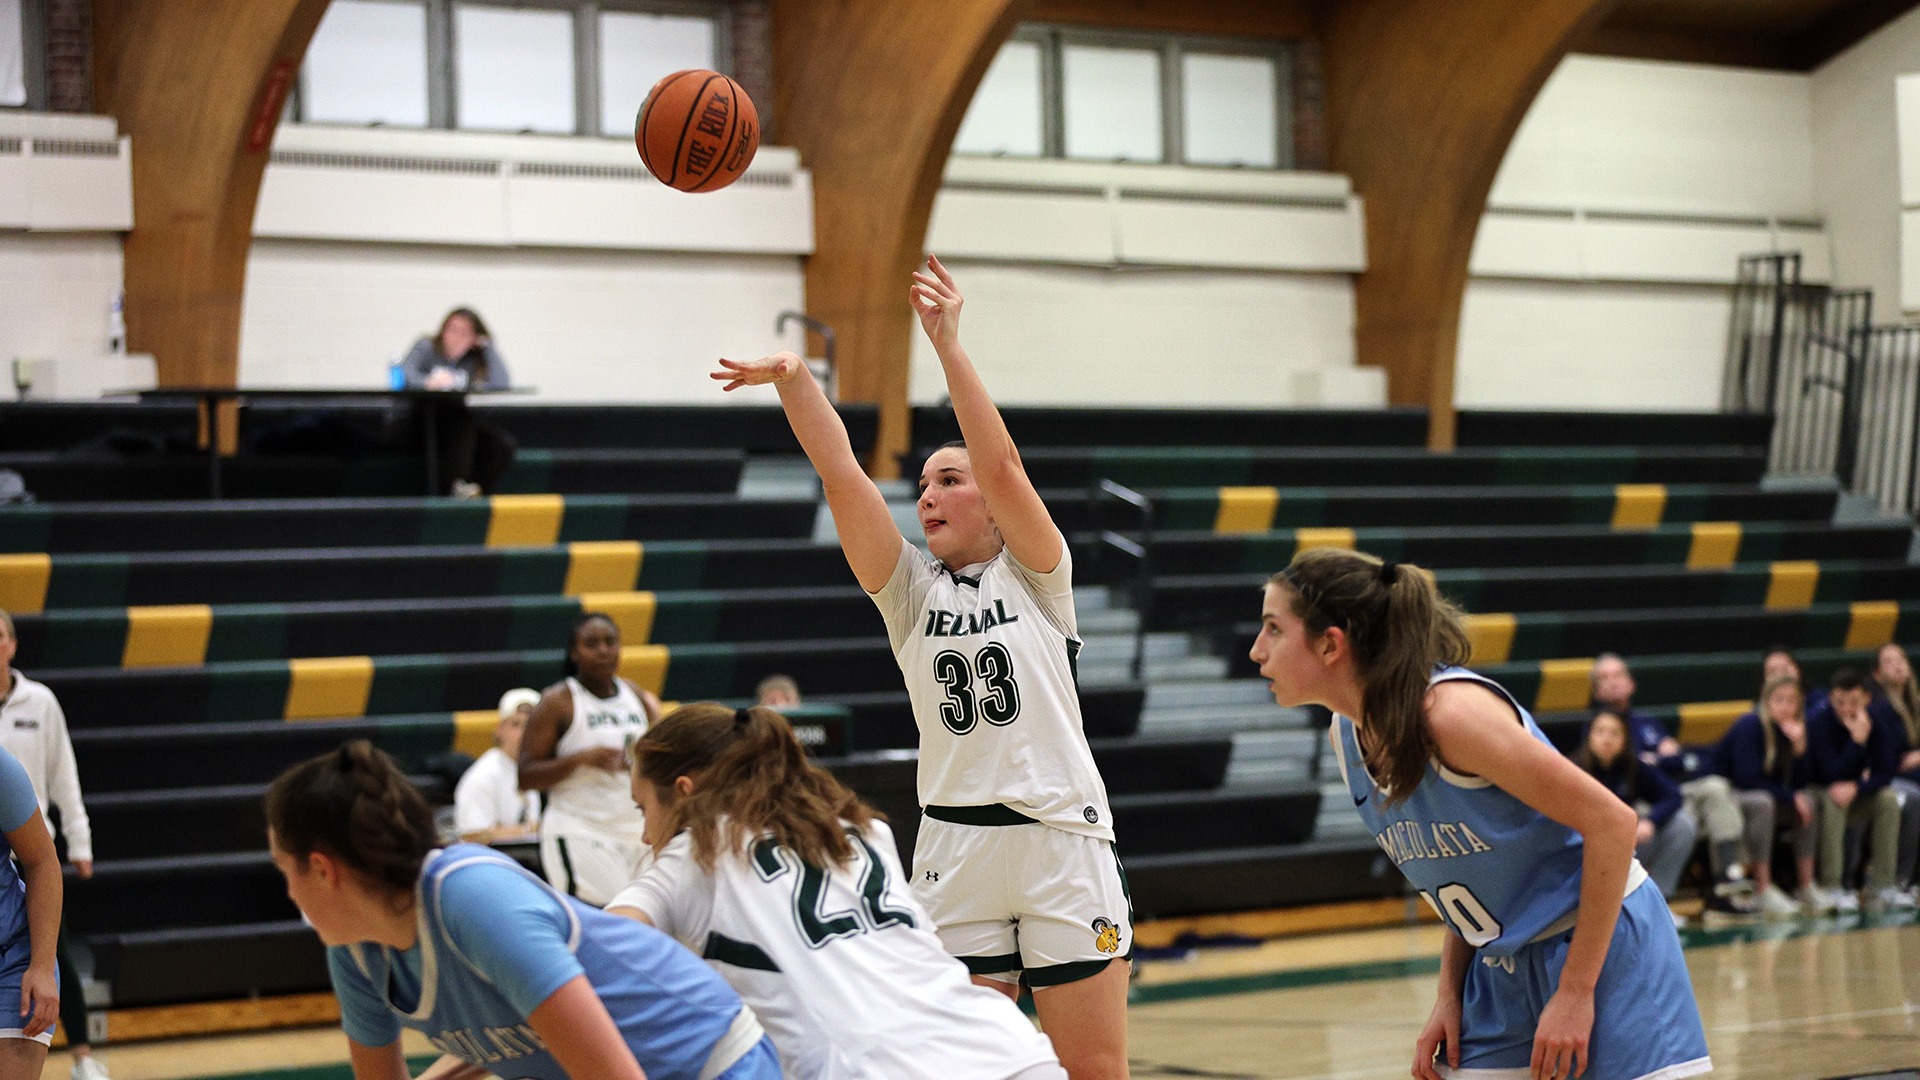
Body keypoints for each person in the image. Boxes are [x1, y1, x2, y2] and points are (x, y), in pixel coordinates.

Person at [709, 256, 1130, 1079]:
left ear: (994, 508)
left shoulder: (1040, 576)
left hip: (1061, 841)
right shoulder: (907, 593)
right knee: (958, 1068)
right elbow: (843, 476)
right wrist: (797, 381)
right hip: (955, 845)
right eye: (924, 484)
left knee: (1095, 1070)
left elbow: (1004, 467)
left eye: (949, 480)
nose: (928, 496)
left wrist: (946, 344)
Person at [1249, 550, 1709, 1080]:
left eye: (1273, 629)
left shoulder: (1451, 716)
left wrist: (1578, 990)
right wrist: (1449, 994)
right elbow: (1465, 872)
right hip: (1500, 966)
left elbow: (1612, 822)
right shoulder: (1345, 735)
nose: (1258, 651)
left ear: (1331, 643)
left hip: (1599, 948)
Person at [265, 741, 781, 1080]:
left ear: (323, 869)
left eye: (285, 871)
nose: (288, 892)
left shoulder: (472, 898)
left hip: (712, 1061)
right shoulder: (355, 953)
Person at [606, 703, 1066, 1080]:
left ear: (683, 792)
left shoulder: (695, 854)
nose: (645, 836)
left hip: (877, 1068)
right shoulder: (860, 830)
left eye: (642, 808)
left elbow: (602, 945)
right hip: (1007, 1051)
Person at [0, 610, 101, 1080]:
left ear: (13, 644)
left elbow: (66, 776)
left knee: (53, 955)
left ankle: (82, 1056)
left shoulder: (39, 702)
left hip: (32, 856)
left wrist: (80, 839)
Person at [518, 613, 661, 907]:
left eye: (610, 642)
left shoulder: (634, 694)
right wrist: (581, 759)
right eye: (591, 643)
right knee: (610, 920)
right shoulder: (558, 701)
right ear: (574, 652)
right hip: (580, 830)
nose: (603, 650)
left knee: (647, 924)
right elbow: (526, 775)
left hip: (634, 829)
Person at [1590, 653, 1747, 904]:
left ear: (1632, 683)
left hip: (1668, 790)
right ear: (1596, 691)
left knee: (1717, 787)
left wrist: (1660, 760)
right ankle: (1658, 899)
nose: (1613, 682)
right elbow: (1641, 766)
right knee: (1681, 821)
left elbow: (1678, 760)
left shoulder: (1647, 723)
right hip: (1635, 802)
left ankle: (1727, 876)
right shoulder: (1594, 727)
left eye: (1619, 675)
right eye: (1604, 678)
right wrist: (1660, 759)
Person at [1714, 674, 1818, 916]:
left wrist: (1799, 749)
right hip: (1727, 793)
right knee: (1764, 803)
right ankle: (1763, 888)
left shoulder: (1794, 730)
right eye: (1778, 700)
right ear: (1766, 701)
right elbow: (1747, 778)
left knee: (1808, 801)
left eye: (1792, 701)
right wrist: (1790, 796)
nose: (1785, 707)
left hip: (1760, 794)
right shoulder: (1750, 724)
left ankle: (1806, 885)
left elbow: (1800, 783)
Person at [1572, 709, 1698, 908]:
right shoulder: (1573, 769)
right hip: (1585, 851)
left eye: (1615, 733)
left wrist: (1651, 821)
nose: (1607, 739)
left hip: (1626, 845)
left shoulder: (1632, 766)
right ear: (1589, 736)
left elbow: (1672, 795)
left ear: (1625, 739)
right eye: (1600, 732)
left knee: (1682, 824)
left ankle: (1659, 903)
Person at [1806, 668, 1907, 912]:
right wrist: (1857, 741)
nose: (1845, 709)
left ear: (1866, 699)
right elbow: (1831, 774)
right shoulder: (1818, 721)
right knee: (1835, 798)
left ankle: (1882, 887)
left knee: (1888, 800)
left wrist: (1858, 786)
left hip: (1850, 789)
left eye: (1853, 703)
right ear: (1831, 698)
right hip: (1815, 790)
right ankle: (1832, 887)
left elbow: (1886, 771)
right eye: (1839, 702)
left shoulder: (1876, 720)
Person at [397, 308, 515, 497]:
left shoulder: (473, 359)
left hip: (454, 425)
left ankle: (477, 495)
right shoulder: (426, 347)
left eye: (463, 332)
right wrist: (427, 382)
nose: (455, 337)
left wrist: (488, 348)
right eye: (451, 330)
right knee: (461, 421)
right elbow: (405, 376)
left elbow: (501, 384)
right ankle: (454, 487)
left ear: (474, 338)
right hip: (418, 420)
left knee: (500, 445)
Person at [453, 689, 542, 844]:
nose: (524, 734)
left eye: (531, 725)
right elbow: (472, 836)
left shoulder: (531, 769)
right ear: (500, 730)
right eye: (516, 725)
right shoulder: (483, 775)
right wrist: (530, 830)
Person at [1870, 642, 1920, 891]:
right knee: (1913, 800)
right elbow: (1892, 762)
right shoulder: (1879, 708)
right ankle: (1903, 879)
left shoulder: (1916, 703)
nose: (1898, 665)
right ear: (1877, 675)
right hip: (1888, 779)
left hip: (1911, 775)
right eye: (1889, 662)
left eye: (1901, 659)